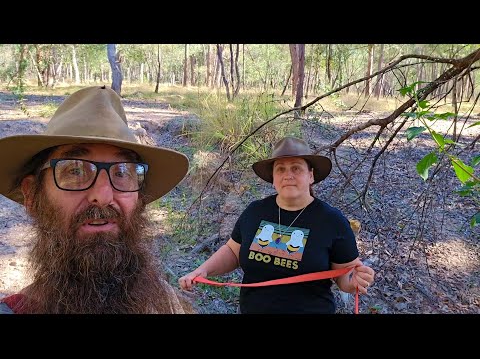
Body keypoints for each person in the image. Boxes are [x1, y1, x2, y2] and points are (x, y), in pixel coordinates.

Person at [0, 85, 193, 314]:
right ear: (32, 195)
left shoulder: (164, 302)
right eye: (75, 171)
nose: (103, 196)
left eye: (122, 172)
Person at [179, 136, 375, 314]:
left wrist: (354, 282)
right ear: (273, 178)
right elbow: (233, 251)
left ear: (311, 176)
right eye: (280, 169)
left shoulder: (332, 221)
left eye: (296, 168)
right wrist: (202, 270)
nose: (288, 175)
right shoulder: (255, 212)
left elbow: (346, 273)